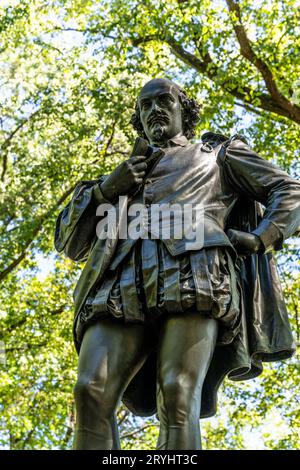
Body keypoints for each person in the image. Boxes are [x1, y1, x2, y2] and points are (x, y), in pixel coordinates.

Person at [54, 78, 300, 450]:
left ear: (183, 109)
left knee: (177, 391)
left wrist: (262, 235)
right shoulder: (122, 176)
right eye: (145, 105)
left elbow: (289, 189)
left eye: (163, 100)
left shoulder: (218, 155)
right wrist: (106, 189)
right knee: (90, 391)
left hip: (194, 275)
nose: (154, 109)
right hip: (120, 282)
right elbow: (70, 243)